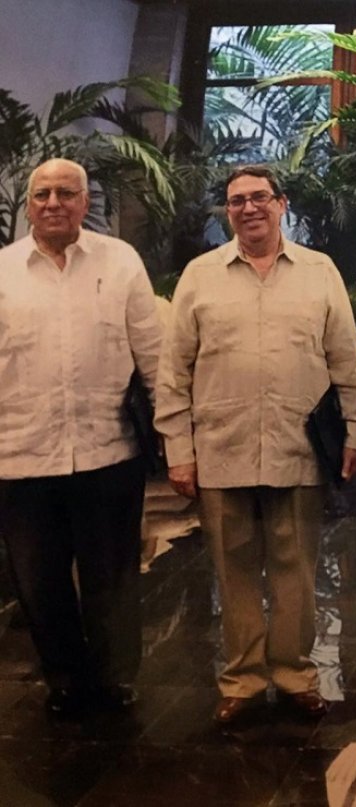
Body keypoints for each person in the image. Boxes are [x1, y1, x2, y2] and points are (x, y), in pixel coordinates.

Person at [155, 165, 356, 726]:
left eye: (259, 198)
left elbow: (347, 362)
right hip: (220, 448)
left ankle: (295, 674)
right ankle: (243, 679)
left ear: (282, 204)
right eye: (236, 201)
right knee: (234, 569)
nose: (248, 208)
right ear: (228, 212)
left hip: (298, 449)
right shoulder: (200, 277)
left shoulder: (320, 272)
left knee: (296, 566)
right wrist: (178, 449)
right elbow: (173, 372)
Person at [0, 158, 161, 716]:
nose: (52, 203)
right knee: (39, 581)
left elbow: (154, 355)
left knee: (111, 578)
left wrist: (174, 438)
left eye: (65, 193)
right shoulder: (2, 272)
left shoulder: (119, 263)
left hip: (108, 450)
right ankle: (65, 679)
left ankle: (116, 678)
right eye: (41, 193)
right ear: (28, 205)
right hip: (21, 456)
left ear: (85, 202)